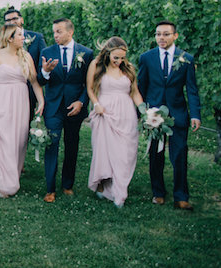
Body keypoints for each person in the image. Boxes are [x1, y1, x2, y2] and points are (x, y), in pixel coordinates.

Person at [138, 21, 201, 211]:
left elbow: (192, 90)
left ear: (175, 36)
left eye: (166, 34)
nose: (161, 38)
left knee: (179, 155)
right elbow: (141, 86)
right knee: (155, 155)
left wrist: (195, 115)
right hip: (154, 116)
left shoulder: (186, 59)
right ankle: (158, 193)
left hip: (178, 114)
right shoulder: (146, 58)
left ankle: (181, 197)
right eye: (158, 34)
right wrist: (141, 112)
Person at [0, 25, 45, 197]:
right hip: (1, 99)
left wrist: (41, 100)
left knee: (18, 140)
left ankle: (10, 177)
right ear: (10, 38)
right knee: (3, 138)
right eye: (20, 35)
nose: (24, 38)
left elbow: (34, 81)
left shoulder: (26, 56)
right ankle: (3, 181)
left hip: (21, 101)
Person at [38, 18, 93, 203]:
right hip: (53, 107)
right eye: (54, 31)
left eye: (59, 31)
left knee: (72, 145)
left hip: (74, 108)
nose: (55, 35)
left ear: (70, 32)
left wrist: (81, 102)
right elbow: (40, 80)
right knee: (51, 144)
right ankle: (50, 189)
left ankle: (67, 185)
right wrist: (45, 71)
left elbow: (89, 83)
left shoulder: (86, 53)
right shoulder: (47, 52)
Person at [86, 37, 143, 208]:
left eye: (122, 58)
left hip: (126, 114)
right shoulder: (96, 65)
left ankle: (120, 190)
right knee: (106, 153)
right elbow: (90, 88)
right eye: (116, 57)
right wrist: (96, 103)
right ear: (107, 53)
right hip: (105, 113)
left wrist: (145, 111)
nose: (119, 61)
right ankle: (109, 189)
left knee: (124, 154)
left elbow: (135, 93)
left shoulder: (128, 68)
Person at [0, 6, 47, 121]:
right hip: (4, 91)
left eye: (14, 19)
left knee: (24, 123)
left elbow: (42, 63)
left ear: (22, 19)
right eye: (8, 20)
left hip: (28, 90)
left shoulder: (37, 38)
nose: (12, 22)